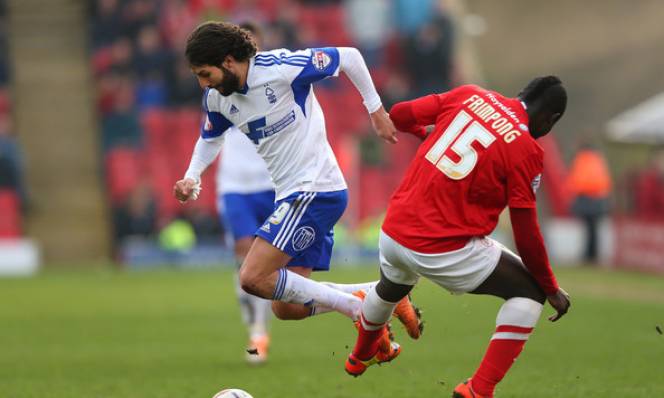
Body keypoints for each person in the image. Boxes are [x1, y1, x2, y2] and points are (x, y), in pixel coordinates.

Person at [172, 22, 422, 358]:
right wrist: (192, 176)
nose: (202, 83)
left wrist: (375, 111)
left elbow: (348, 56)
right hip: (294, 196)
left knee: (251, 276)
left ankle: (358, 312)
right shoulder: (217, 98)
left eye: (205, 73)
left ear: (228, 62)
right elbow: (210, 138)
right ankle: (375, 297)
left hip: (314, 190)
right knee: (286, 307)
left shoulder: (281, 69)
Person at [344, 76, 572, 398]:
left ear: (520, 92)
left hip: (394, 231)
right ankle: (478, 390)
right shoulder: (526, 150)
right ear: (551, 119)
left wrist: (426, 133)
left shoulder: (470, 95)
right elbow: (526, 232)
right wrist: (550, 287)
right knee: (530, 291)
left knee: (392, 287)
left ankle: (360, 355)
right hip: (441, 248)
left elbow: (400, 114)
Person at [214, 21, 276, 364]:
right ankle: (256, 331)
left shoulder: (272, 77)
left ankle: (260, 320)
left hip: (271, 180)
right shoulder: (221, 81)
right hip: (235, 184)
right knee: (244, 254)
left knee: (268, 265)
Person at [565, 142, 612, 263]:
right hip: (599, 198)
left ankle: (588, 255)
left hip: (585, 197)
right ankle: (593, 254)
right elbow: (605, 181)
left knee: (588, 229)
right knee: (594, 229)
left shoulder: (581, 159)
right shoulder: (598, 159)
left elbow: (576, 180)